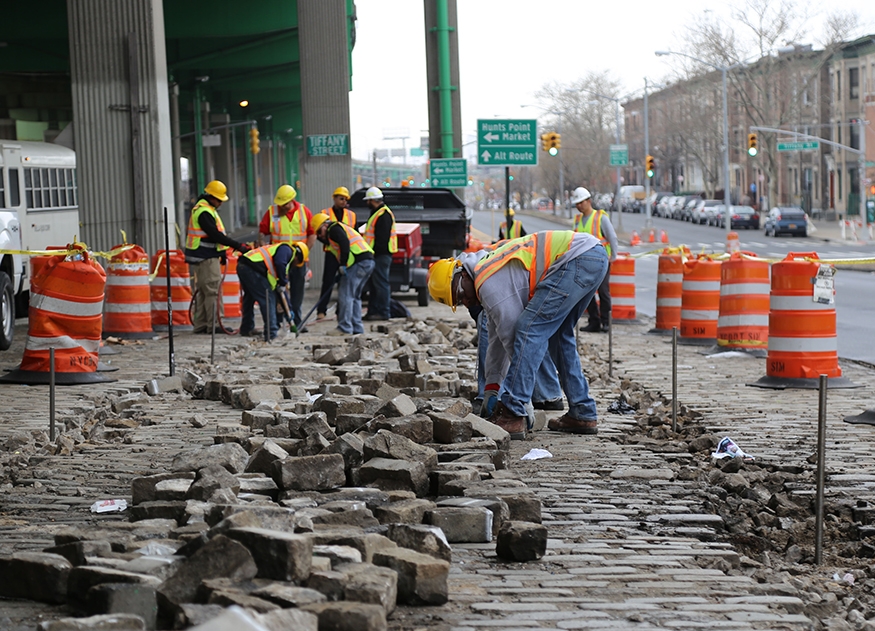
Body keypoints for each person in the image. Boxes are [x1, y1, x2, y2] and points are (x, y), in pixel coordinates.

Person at [427, 230, 608, 439]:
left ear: (464, 275)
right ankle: (582, 412)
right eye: (458, 303)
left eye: (461, 294)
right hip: (591, 256)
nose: (466, 302)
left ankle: (513, 413)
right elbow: (496, 337)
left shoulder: (487, 282)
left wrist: (520, 401)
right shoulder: (483, 270)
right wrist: (492, 387)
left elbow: (515, 339)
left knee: (530, 327)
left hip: (576, 259)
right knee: (559, 337)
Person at [184, 180, 251, 334]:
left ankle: (201, 324)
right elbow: (215, 235)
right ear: (212, 197)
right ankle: (214, 324)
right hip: (205, 258)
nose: (221, 203)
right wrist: (238, 246)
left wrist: (220, 253)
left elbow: (211, 237)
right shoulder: (205, 212)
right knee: (213, 290)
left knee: (203, 291)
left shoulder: (203, 209)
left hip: (202, 256)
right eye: (220, 199)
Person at [257, 185, 315, 328]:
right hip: (278, 260)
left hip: (298, 260)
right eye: (280, 204)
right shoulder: (272, 212)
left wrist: (305, 251)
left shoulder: (304, 212)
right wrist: (264, 247)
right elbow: (262, 232)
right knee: (278, 289)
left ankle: (296, 319)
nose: (282, 207)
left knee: (297, 290)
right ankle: (278, 320)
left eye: (285, 204)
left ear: (292, 200)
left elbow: (312, 233)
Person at [311, 212, 375, 335]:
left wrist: (343, 264)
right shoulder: (339, 229)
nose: (320, 237)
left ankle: (345, 327)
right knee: (355, 296)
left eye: (319, 232)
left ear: (324, 225)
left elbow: (344, 243)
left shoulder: (333, 229)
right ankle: (357, 328)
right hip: (367, 261)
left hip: (358, 262)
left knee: (345, 295)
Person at [237, 242, 308, 340]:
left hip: (244, 265)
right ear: (298, 258)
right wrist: (283, 281)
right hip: (252, 269)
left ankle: (247, 327)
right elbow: (280, 263)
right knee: (268, 299)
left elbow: (280, 291)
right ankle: (271, 332)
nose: (295, 266)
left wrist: (289, 308)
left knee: (249, 298)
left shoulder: (279, 256)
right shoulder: (287, 250)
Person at [571, 186, 618, 332]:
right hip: (584, 263)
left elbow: (612, 237)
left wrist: (613, 256)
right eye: (577, 203)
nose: (579, 206)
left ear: (589, 201)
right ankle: (594, 321)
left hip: (601, 262)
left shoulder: (600, 217)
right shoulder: (578, 220)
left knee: (603, 292)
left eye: (581, 202)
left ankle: (606, 322)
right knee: (586, 294)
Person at [315, 186, 356, 320]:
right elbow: (319, 235)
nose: (343, 201)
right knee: (328, 281)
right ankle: (321, 310)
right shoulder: (325, 213)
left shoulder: (351, 215)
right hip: (331, 252)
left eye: (345, 199)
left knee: (344, 282)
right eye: (341, 198)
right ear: (334, 198)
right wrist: (329, 243)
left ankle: (341, 311)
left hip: (346, 253)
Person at [361, 186, 396, 321]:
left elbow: (382, 239)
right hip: (377, 255)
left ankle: (383, 312)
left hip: (381, 255)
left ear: (372, 200)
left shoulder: (383, 215)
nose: (366, 203)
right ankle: (374, 311)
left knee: (381, 284)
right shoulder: (378, 213)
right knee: (375, 285)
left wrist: (373, 253)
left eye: (368, 200)